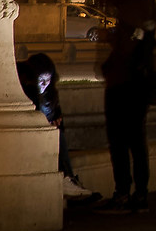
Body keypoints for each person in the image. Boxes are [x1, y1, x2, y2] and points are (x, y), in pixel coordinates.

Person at [96, 0, 156, 212]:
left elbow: (127, 49)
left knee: (122, 143)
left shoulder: (134, 17)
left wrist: (111, 38)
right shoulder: (141, 10)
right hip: (131, 88)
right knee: (135, 143)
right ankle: (136, 193)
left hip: (125, 87)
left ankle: (126, 193)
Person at [16, 51, 100, 208]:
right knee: (57, 137)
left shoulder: (50, 94)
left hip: (47, 136)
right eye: (41, 80)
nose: (44, 84)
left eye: (48, 80)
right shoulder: (24, 90)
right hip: (30, 137)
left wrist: (56, 120)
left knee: (58, 135)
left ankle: (69, 179)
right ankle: (68, 179)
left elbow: (58, 117)